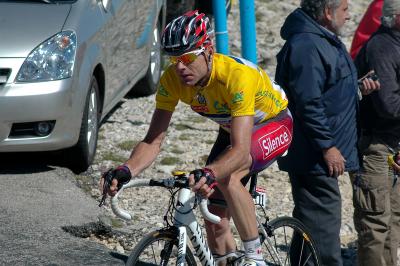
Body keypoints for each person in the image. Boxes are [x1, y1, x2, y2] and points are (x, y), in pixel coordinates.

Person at [100, 10, 293, 266]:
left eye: (188, 57)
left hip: (273, 123)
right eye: (173, 59)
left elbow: (239, 150)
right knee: (213, 218)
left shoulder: (236, 77)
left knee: (228, 177)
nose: (180, 67)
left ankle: (255, 258)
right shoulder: (172, 80)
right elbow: (152, 141)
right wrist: (126, 169)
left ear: (209, 50)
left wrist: (211, 172)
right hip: (232, 129)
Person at [274, 0, 379, 265]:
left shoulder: (321, 40)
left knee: (311, 221)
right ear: (327, 13)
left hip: (317, 152)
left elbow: (326, 90)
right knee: (324, 229)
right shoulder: (308, 45)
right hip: (313, 156)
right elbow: (308, 103)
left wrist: (356, 89)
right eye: (344, 9)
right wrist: (328, 147)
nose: (349, 15)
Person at [352, 0, 400, 264]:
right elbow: (388, 106)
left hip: (390, 143)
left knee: (392, 217)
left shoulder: (393, 44)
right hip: (375, 145)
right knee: (376, 223)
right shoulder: (382, 48)